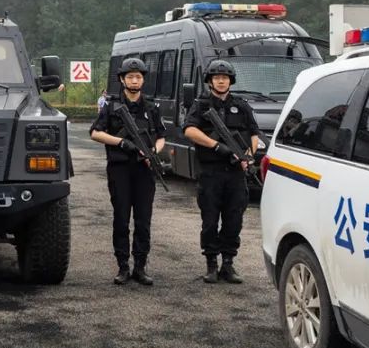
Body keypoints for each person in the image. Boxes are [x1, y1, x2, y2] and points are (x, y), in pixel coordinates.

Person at [89, 58, 166, 285]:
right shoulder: (111, 106)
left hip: (144, 169)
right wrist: (121, 143)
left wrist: (153, 151)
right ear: (122, 79)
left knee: (143, 220)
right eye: (130, 77)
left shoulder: (151, 107)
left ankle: (140, 267)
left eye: (138, 77)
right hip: (120, 169)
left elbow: (162, 137)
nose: (134, 81)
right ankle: (123, 266)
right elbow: (95, 133)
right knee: (121, 218)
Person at [183, 59, 260, 284]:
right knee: (209, 220)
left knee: (234, 219)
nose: (221, 81)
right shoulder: (201, 105)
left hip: (235, 173)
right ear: (210, 81)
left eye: (225, 78)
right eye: (216, 78)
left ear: (230, 81)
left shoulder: (241, 106)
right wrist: (216, 146)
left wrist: (247, 156)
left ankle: (228, 263)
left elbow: (254, 134)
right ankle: (211, 264)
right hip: (211, 171)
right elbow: (189, 130)